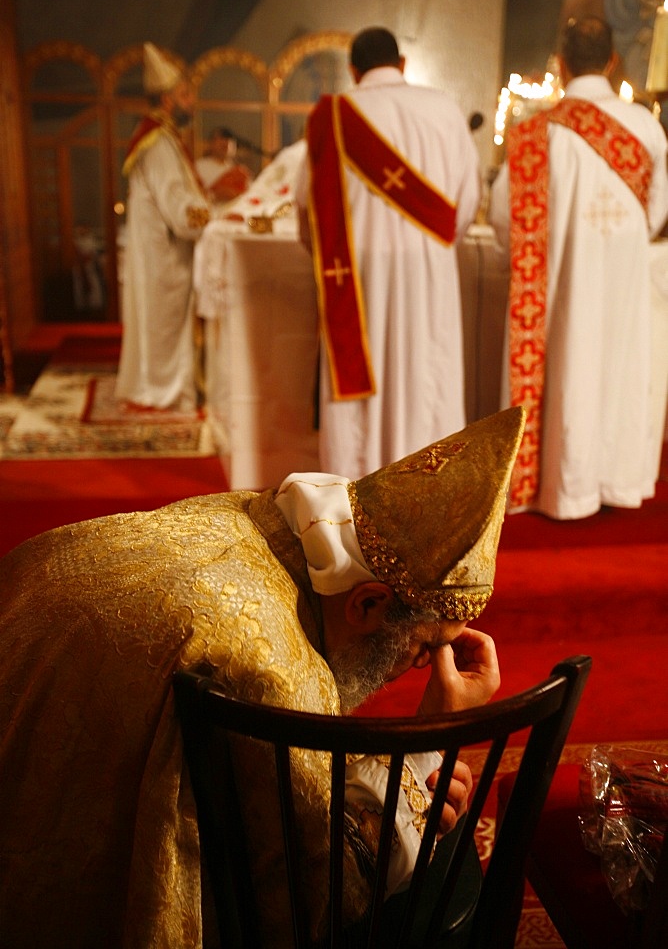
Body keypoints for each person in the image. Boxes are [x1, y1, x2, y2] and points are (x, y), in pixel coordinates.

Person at [0, 406, 524, 949]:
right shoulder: (279, 669)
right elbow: (314, 892)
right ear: (368, 603)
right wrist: (425, 748)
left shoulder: (247, 514)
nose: (413, 670)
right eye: (421, 652)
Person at [489, 16, 668, 520]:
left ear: (561, 65)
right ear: (613, 61)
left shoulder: (533, 135)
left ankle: (557, 487)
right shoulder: (647, 127)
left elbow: (504, 222)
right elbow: (655, 215)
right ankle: (617, 480)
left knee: (568, 369)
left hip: (559, 294)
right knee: (618, 371)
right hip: (623, 284)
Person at [296, 26, 482, 480]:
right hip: (428, 275)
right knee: (426, 375)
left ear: (353, 70)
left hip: (355, 281)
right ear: (401, 64)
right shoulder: (444, 108)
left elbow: (307, 213)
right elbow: (468, 199)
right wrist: (432, 249)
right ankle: (429, 486)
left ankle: (354, 490)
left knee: (362, 397)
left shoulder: (333, 116)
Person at [115, 42, 211, 413]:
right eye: (186, 95)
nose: (192, 102)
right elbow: (179, 208)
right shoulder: (158, 144)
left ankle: (154, 386)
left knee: (157, 329)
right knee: (162, 330)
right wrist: (214, 215)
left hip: (160, 254)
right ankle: (163, 391)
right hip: (164, 258)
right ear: (168, 100)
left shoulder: (162, 138)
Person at [195, 126, 253, 205]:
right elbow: (191, 195)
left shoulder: (240, 171)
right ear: (210, 143)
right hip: (208, 212)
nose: (225, 143)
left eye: (229, 140)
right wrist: (215, 195)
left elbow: (249, 198)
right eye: (220, 139)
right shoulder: (198, 167)